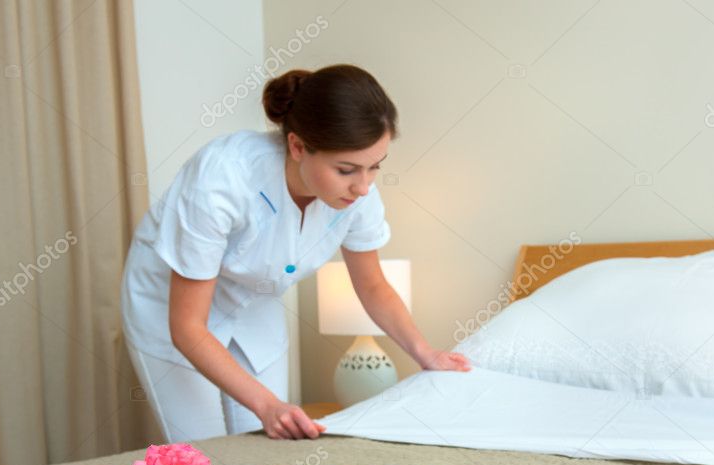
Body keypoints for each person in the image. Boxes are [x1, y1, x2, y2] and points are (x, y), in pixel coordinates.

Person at [121, 64, 470, 442]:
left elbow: (372, 285)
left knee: (269, 441)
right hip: (170, 306)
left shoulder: (358, 194)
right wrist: (267, 405)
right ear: (298, 146)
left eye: (374, 168)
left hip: (254, 303)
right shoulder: (222, 178)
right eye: (347, 169)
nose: (363, 187)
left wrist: (424, 352)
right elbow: (188, 328)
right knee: (204, 451)